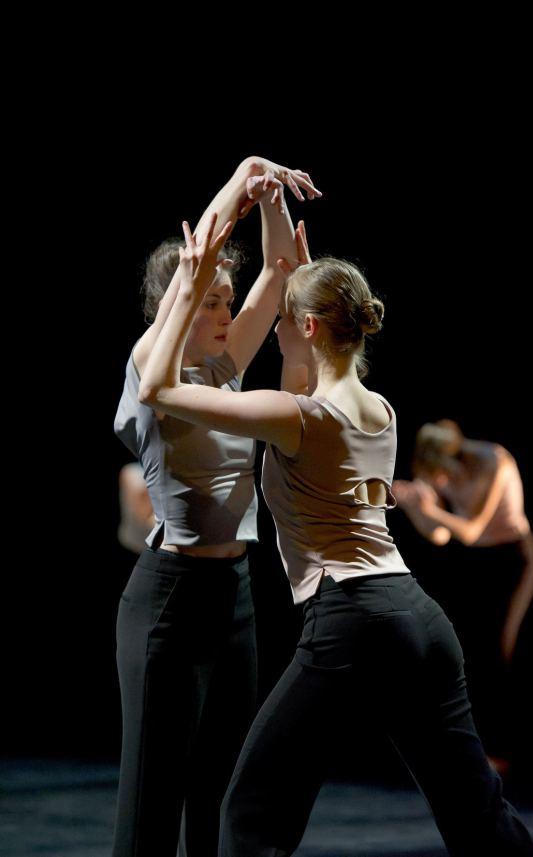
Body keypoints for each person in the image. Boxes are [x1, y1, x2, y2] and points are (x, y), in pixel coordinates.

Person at [138, 215, 533, 856]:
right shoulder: (380, 410)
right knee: (478, 814)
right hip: (417, 616)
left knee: (251, 811)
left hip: (352, 619)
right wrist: (288, 256)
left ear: (307, 327)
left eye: (282, 320)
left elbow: (158, 389)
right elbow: (301, 395)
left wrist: (187, 290)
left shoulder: (297, 417)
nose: (270, 330)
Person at [112, 156, 322, 857]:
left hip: (232, 595)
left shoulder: (224, 372)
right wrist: (243, 174)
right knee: (151, 803)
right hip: (168, 601)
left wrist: (270, 199)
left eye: (228, 301)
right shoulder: (151, 368)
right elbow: (197, 261)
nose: (227, 313)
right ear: (179, 300)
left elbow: (282, 274)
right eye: (212, 301)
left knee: (219, 791)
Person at [392, 420, 533, 774]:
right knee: (464, 650)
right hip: (476, 564)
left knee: (499, 651)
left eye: (440, 473)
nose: (440, 481)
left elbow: (473, 530)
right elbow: (440, 534)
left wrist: (431, 509)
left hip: (512, 558)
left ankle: (504, 749)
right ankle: (474, 750)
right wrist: (413, 507)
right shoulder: (446, 470)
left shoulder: (495, 462)